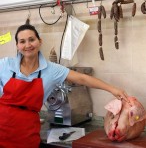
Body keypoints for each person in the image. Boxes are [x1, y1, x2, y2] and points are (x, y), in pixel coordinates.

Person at [0, 24, 128, 148]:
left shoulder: (51, 69)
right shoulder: (5, 64)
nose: (27, 45)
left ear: (40, 41)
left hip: (26, 131)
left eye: (31, 40)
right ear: (17, 45)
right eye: (22, 41)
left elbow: (82, 78)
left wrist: (113, 89)